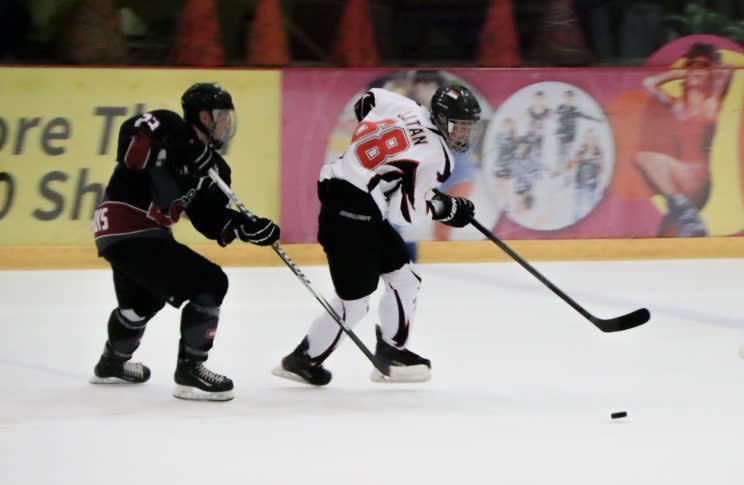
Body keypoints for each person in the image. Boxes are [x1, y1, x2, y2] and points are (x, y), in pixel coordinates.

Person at [272, 85, 481, 385]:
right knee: (355, 301)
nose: (463, 134)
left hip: (350, 197)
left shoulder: (404, 107)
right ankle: (302, 360)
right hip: (353, 213)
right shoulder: (437, 155)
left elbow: (369, 98)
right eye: (458, 126)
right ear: (441, 117)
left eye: (468, 127)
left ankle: (392, 352)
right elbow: (403, 213)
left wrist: (372, 161)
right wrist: (445, 209)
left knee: (405, 278)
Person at [89, 83, 280, 401]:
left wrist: (244, 226)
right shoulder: (166, 127)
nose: (226, 124)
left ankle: (112, 363)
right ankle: (191, 369)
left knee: (141, 304)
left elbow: (208, 220)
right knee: (210, 282)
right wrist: (189, 150)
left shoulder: (216, 169)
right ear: (203, 117)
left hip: (132, 236)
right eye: (221, 117)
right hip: (129, 226)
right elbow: (131, 146)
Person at [635, 43, 731, 237]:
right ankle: (687, 215)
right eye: (691, 64)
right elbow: (649, 83)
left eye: (701, 65)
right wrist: (681, 73)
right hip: (679, 178)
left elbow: (727, 72)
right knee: (667, 235)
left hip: (697, 178)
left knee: (643, 157)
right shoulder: (677, 106)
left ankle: (686, 212)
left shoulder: (712, 101)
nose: (695, 68)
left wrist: (708, 69)